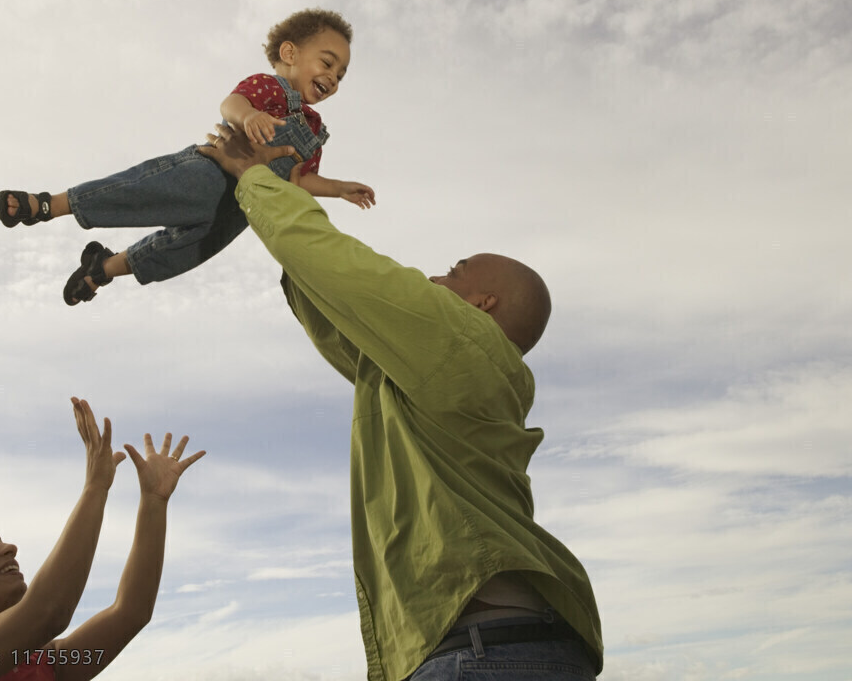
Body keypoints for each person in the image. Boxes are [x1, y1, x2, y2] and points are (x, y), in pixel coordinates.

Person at [197, 128, 604, 680]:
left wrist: (253, 178)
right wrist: (279, 201)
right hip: (498, 651)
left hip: (485, 656)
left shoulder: (463, 341)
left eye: (455, 272)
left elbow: (344, 270)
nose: (436, 276)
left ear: (483, 304)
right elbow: (340, 313)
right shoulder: (435, 375)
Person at [0, 8, 375, 306]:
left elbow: (297, 180)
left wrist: (338, 187)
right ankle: (50, 205)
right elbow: (231, 104)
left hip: (243, 208)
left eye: (341, 74)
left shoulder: (314, 131)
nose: (333, 78)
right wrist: (250, 116)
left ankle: (102, 269)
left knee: (185, 251)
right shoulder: (269, 88)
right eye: (327, 63)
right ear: (290, 53)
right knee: (146, 192)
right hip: (210, 172)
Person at [0, 397, 204, 681]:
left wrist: (153, 502)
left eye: (0, 540)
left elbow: (131, 611)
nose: (9, 548)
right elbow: (49, 610)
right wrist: (95, 487)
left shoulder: (45, 661)